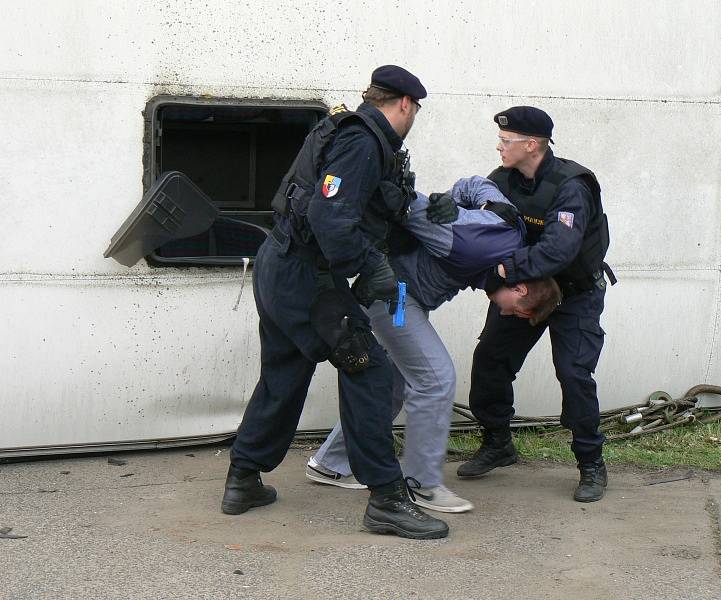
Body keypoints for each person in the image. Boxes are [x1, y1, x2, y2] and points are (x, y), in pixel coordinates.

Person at [220, 65, 449, 540]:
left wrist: (428, 208)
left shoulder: (345, 130)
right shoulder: (364, 141)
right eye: (416, 112)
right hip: (306, 276)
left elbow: (363, 207)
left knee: (285, 371)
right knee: (371, 370)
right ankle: (386, 499)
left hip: (282, 264)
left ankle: (243, 478)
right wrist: (369, 263)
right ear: (405, 104)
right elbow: (330, 215)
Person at [306, 177, 561, 512]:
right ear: (522, 289)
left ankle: (331, 463)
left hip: (402, 296)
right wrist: (435, 205)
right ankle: (421, 484)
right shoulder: (475, 246)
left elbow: (473, 184)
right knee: (436, 379)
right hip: (395, 298)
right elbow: (407, 208)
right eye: (515, 309)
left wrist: (454, 200)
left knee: (393, 386)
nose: (504, 311)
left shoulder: (508, 229)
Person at [456, 106, 615, 503]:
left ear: (532, 144)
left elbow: (559, 249)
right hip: (527, 288)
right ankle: (497, 442)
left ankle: (591, 463)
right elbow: (482, 226)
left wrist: (507, 269)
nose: (499, 147)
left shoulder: (570, 186)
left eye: (506, 141)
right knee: (491, 357)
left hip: (574, 292)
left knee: (574, 372)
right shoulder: (502, 181)